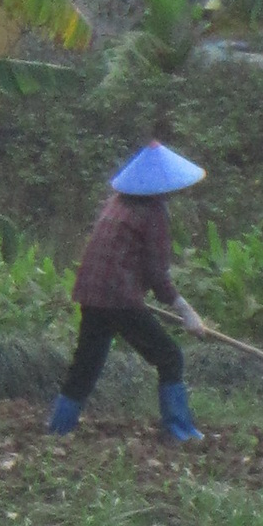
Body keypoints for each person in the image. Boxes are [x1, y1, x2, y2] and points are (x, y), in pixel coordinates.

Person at [50, 142, 205, 443]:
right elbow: (158, 276)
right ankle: (180, 430)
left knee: (86, 364)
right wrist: (187, 313)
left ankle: (58, 427)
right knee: (170, 356)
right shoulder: (153, 213)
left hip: (92, 294)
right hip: (118, 299)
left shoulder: (116, 203)